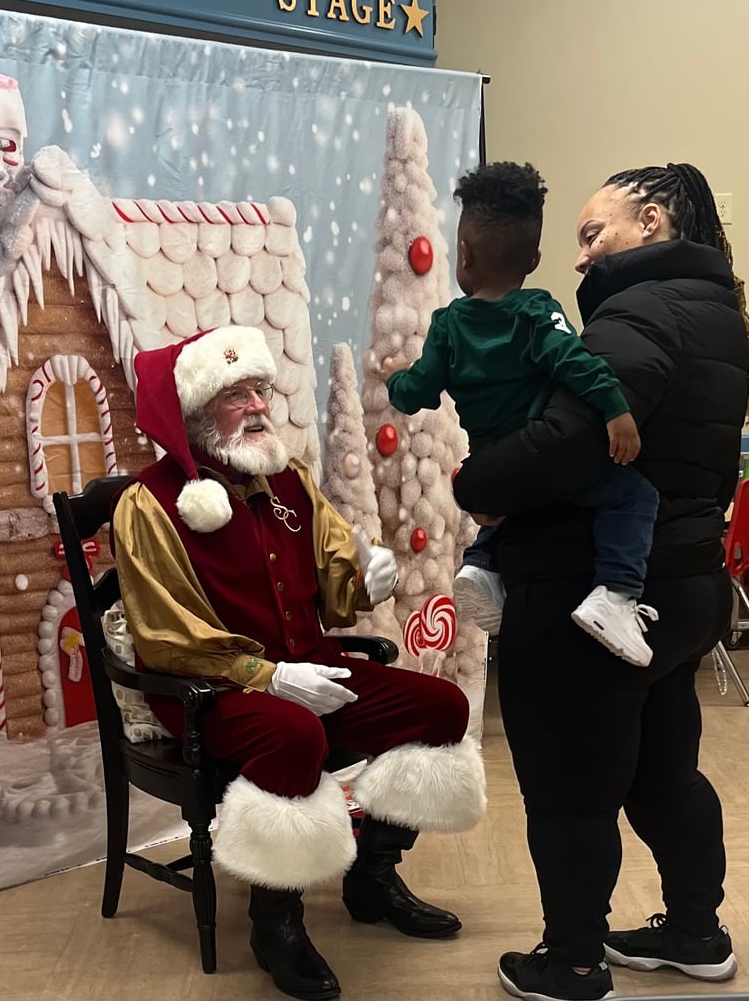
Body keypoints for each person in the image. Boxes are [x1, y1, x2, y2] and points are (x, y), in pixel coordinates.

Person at [452, 162, 749, 1001]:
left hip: (584, 600)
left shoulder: (641, 312)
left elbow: (569, 442)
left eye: (594, 235)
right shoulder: (712, 313)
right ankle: (696, 931)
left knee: (569, 790)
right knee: (664, 771)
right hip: (677, 591)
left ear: (655, 220)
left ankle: (572, 962)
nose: (582, 259)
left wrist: (477, 482)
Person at [111, 324, 487, 1001]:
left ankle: (372, 876)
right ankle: (275, 919)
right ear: (197, 413)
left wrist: (364, 579)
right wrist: (270, 677)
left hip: (309, 666)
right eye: (236, 395)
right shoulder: (150, 505)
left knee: (443, 707)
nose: (258, 405)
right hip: (210, 688)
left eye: (259, 389)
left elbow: (336, 581)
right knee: (296, 734)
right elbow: (166, 636)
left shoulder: (288, 481)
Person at [384, 162, 658, 666]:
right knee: (634, 494)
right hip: (538, 453)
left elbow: (414, 393)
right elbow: (577, 362)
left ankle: (481, 564)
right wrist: (616, 410)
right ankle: (616, 594)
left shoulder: (447, 326)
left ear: (462, 255)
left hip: (491, 459)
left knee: (507, 500)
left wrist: (396, 376)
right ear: (533, 258)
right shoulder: (536, 311)